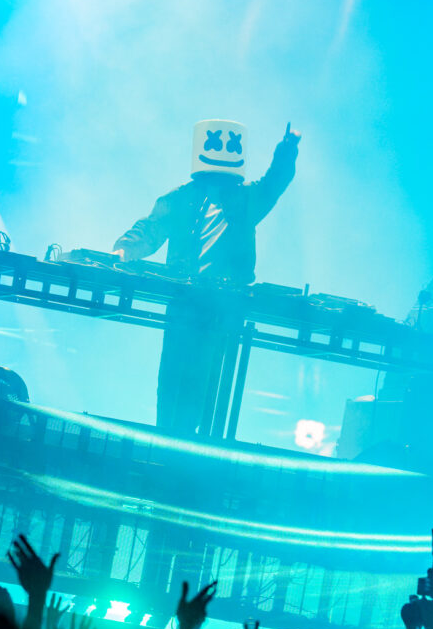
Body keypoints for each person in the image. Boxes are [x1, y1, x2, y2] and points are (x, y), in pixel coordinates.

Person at [114, 119, 300, 435]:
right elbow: (150, 229)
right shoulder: (183, 198)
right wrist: (125, 249)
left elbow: (274, 182)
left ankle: (191, 448)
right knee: (173, 383)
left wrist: (286, 152)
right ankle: (170, 444)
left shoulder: (244, 199)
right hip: (185, 304)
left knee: (207, 387)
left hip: (223, 308)